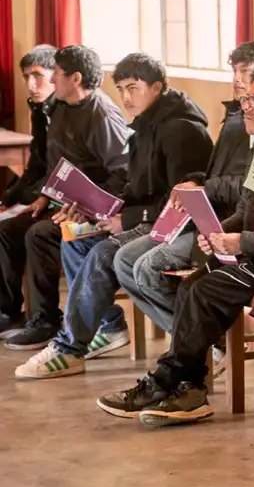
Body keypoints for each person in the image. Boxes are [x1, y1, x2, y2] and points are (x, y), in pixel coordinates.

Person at [96, 60, 254, 426]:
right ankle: (187, 388)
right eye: (246, 100)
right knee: (192, 285)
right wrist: (220, 233)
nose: (246, 107)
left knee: (205, 290)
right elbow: (248, 204)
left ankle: (172, 384)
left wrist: (240, 241)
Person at [14, 53, 213, 379]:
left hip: (175, 227)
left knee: (105, 252)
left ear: (157, 87)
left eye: (133, 88)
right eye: (120, 88)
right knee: (75, 240)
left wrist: (129, 219)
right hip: (144, 217)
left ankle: (69, 348)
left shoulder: (182, 131)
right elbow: (135, 188)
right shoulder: (144, 126)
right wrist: (93, 207)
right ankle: (108, 326)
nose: (125, 98)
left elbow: (179, 204)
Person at [113, 41, 254, 341]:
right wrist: (196, 180)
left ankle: (198, 345)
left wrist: (207, 188)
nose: (236, 79)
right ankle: (198, 346)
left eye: (245, 71)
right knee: (125, 260)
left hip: (240, 232)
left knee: (146, 268)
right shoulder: (237, 118)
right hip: (215, 223)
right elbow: (219, 172)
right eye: (235, 70)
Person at [3, 45, 131, 351]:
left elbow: (123, 175)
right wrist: (46, 195)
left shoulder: (102, 115)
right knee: (8, 230)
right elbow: (56, 164)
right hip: (63, 203)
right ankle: (10, 313)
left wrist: (88, 208)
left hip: (96, 211)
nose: (51, 79)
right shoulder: (59, 108)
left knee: (40, 234)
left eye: (56, 74)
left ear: (75, 78)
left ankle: (46, 319)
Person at [0, 45, 58, 338]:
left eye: (38, 75)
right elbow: (36, 164)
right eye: (27, 77)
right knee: (3, 221)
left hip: (62, 199)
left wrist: (39, 196)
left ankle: (42, 317)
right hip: (43, 190)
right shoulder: (40, 110)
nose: (32, 84)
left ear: (56, 75)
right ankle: (8, 310)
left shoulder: (67, 111)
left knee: (16, 229)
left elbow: (64, 169)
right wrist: (11, 195)